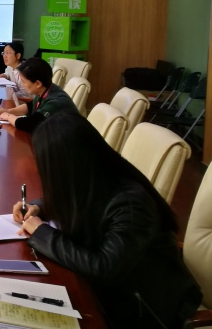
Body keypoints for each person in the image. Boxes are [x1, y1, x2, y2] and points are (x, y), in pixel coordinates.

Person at [13, 113, 201, 329]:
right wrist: (39, 207)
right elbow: (74, 195)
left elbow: (103, 268)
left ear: (69, 168)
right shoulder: (94, 179)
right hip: (111, 294)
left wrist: (42, 233)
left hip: (146, 308)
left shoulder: (131, 205)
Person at [0, 57, 77, 131]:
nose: (22, 85)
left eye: (23, 81)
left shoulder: (55, 102)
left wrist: (8, 116)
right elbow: (30, 105)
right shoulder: (45, 89)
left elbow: (27, 124)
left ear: (38, 83)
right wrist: (8, 111)